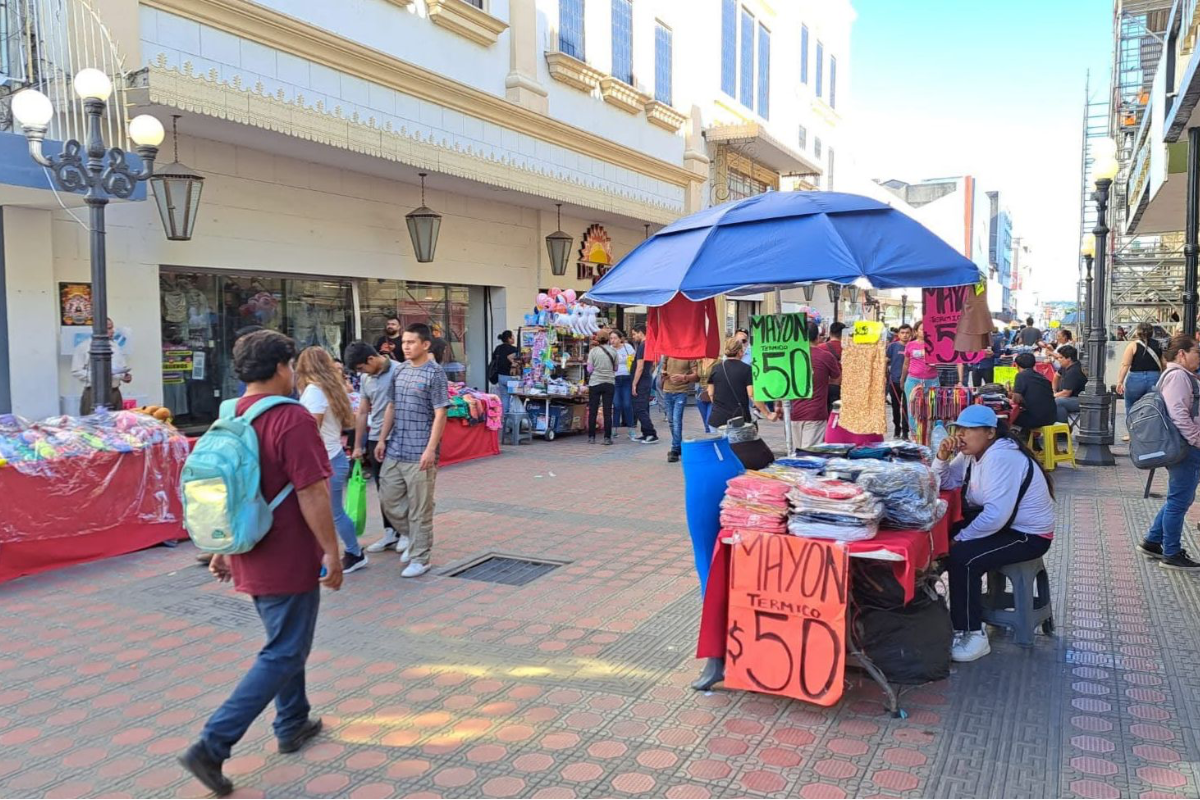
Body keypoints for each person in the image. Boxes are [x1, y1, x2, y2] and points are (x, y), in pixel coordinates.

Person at [178, 331, 343, 796]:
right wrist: (332, 550)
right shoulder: (290, 419)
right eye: (289, 366)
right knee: (284, 650)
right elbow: (311, 491)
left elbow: (233, 490)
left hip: (248, 546)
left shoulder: (232, 413)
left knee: (284, 641)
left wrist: (222, 549)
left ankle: (292, 722)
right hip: (287, 550)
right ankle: (212, 745)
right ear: (280, 368)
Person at [932, 405, 1055, 662]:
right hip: (1004, 526)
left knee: (963, 558)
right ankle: (943, 614)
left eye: (969, 429)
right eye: (959, 429)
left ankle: (973, 633)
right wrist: (941, 457)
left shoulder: (1001, 457)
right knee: (941, 540)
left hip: (1028, 535)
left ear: (990, 433)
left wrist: (961, 538)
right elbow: (943, 483)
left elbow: (996, 516)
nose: (961, 435)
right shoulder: (971, 454)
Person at [374, 323, 449, 578]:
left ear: (425, 345)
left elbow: (441, 414)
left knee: (420, 508)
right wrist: (382, 439)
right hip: (396, 447)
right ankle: (412, 535)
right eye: (404, 342)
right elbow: (391, 406)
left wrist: (431, 449)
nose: (405, 346)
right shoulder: (400, 371)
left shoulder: (435, 374)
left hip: (420, 452)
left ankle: (420, 557)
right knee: (388, 498)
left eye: (411, 342)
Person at [296, 347, 367, 575]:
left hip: (324, 461)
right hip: (333, 456)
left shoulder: (314, 392)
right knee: (332, 512)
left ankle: (354, 554)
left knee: (331, 513)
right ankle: (349, 553)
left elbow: (311, 430)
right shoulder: (331, 388)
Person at [1138, 334, 1200, 570]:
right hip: (1185, 447)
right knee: (1179, 501)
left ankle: (1153, 541)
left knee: (1180, 498)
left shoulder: (1180, 375)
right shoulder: (1178, 377)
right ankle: (1171, 552)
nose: (1199, 356)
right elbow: (1178, 414)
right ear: (1182, 354)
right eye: (1196, 351)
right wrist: (1196, 439)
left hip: (1185, 445)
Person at [344, 341, 404, 556]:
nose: (361, 373)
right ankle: (390, 532)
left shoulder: (399, 371)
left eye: (361, 368)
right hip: (375, 437)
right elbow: (362, 412)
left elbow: (397, 406)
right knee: (382, 487)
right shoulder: (365, 377)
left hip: (398, 437)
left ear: (371, 359)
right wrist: (358, 445)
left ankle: (405, 533)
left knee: (399, 487)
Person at [790, 321, 842, 449]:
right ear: (818, 338)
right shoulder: (825, 356)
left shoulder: (790, 356)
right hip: (815, 413)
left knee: (796, 454)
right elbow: (837, 377)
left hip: (793, 412)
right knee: (810, 456)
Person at [707, 337, 777, 428]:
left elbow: (710, 393)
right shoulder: (747, 369)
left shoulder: (716, 368)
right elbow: (751, 394)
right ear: (740, 352)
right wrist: (767, 414)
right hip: (739, 420)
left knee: (721, 442)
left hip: (716, 420)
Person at [72, 317, 131, 414]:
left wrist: (125, 376)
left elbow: (122, 367)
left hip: (114, 392)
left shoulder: (115, 346)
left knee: (116, 425)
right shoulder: (83, 347)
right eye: (109, 328)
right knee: (93, 425)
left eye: (112, 328)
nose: (112, 331)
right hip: (93, 392)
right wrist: (99, 376)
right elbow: (76, 371)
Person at [1117, 322, 1163, 442]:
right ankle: (1151, 434)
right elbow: (1163, 364)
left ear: (1137, 332)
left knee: (1131, 406)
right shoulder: (1157, 344)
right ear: (1152, 332)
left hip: (1135, 379)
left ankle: (1132, 434)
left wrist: (1120, 382)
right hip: (1154, 377)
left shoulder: (1133, 345)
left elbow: (1125, 365)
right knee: (1153, 406)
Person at [901, 321, 939, 434]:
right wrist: (902, 379)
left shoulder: (935, 344)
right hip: (913, 379)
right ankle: (914, 433)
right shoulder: (910, 345)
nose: (925, 332)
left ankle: (931, 432)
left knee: (933, 407)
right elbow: (906, 363)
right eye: (922, 329)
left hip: (931, 380)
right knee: (912, 407)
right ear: (916, 331)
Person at [662, 355, 699, 463]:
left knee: (676, 420)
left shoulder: (689, 355)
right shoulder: (667, 354)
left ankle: (674, 449)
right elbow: (663, 368)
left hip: (681, 391)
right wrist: (663, 373)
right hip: (667, 390)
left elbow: (696, 375)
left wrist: (684, 377)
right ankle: (678, 446)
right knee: (671, 421)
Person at [629, 325, 660, 444]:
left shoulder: (643, 345)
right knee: (644, 407)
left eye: (634, 334)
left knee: (639, 408)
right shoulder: (648, 345)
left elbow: (640, 367)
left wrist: (634, 384)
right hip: (646, 379)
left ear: (640, 333)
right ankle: (645, 432)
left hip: (641, 381)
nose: (633, 337)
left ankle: (651, 433)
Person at [1011, 353, 1056, 431]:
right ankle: (1029, 438)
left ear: (1017, 366)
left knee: (1009, 416)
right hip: (1051, 417)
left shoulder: (1021, 375)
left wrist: (1010, 394)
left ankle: (1020, 437)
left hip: (1035, 419)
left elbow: (1016, 399)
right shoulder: (1042, 377)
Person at [587, 334, 618, 445]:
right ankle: (607, 438)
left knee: (593, 410)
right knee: (607, 411)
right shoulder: (613, 352)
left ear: (598, 340)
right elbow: (616, 368)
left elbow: (589, 369)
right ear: (608, 339)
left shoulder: (593, 351)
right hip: (609, 382)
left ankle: (591, 437)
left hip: (595, 382)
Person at [886, 324, 912, 438]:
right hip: (894, 381)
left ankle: (905, 431)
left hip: (909, 381)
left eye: (907, 333)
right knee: (895, 407)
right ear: (899, 334)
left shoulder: (913, 346)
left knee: (907, 407)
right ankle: (897, 428)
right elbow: (886, 360)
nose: (905, 335)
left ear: (911, 334)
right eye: (902, 333)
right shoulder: (892, 346)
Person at [610, 330, 636, 433]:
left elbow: (634, 359)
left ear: (620, 339)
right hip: (614, 378)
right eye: (611, 338)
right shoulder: (610, 350)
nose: (613, 340)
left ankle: (631, 428)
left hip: (627, 378)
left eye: (615, 338)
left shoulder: (627, 347)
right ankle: (614, 428)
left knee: (627, 404)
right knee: (616, 404)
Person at [488, 330, 520, 412]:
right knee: (516, 397)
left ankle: (504, 419)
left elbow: (494, 360)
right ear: (509, 338)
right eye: (512, 336)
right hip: (511, 377)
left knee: (505, 397)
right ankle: (513, 417)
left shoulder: (498, 348)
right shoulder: (514, 349)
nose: (514, 338)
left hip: (500, 376)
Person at [1053, 345, 1086, 424]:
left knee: (1058, 402)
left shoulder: (1073, 371)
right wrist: (1053, 390)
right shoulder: (1065, 366)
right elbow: (1056, 376)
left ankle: (1063, 429)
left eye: (1061, 358)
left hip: (1080, 399)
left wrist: (1052, 396)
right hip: (1071, 397)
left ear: (1069, 359)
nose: (1058, 360)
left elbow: (1066, 393)